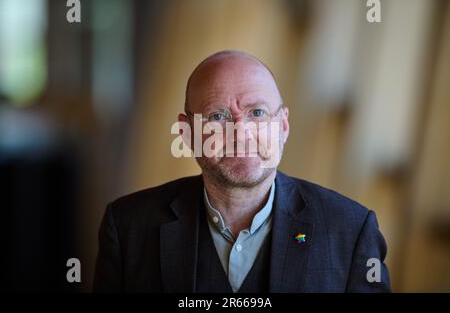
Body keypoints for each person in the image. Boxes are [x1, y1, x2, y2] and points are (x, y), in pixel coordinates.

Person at [93, 50, 391, 292]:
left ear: (283, 126)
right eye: (218, 116)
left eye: (257, 113)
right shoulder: (128, 227)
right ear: (186, 133)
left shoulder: (350, 231)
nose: (241, 133)